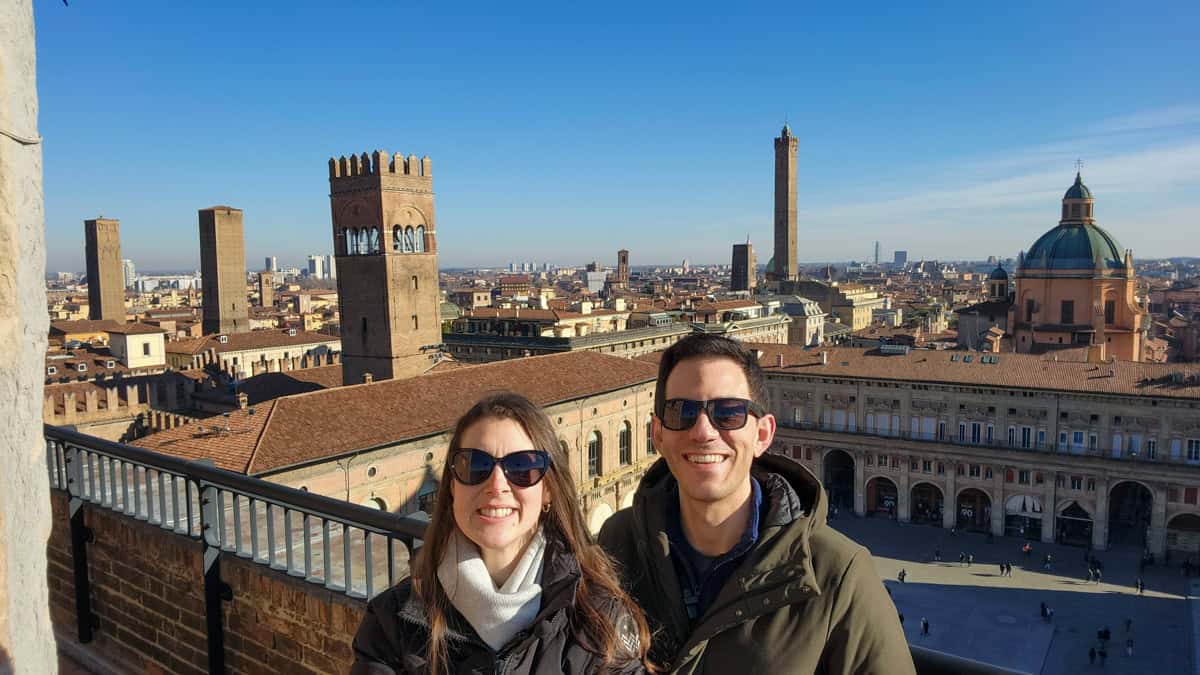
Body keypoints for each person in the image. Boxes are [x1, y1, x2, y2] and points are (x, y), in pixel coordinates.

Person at [599, 334, 914, 674]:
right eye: (682, 412)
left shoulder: (839, 573)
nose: (703, 431)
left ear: (763, 435)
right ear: (658, 434)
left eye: (728, 413)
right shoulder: (615, 546)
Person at [351, 392, 653, 674]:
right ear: (453, 487)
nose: (497, 485)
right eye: (475, 466)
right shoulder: (393, 621)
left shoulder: (601, 619)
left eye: (522, 467)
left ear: (548, 489)